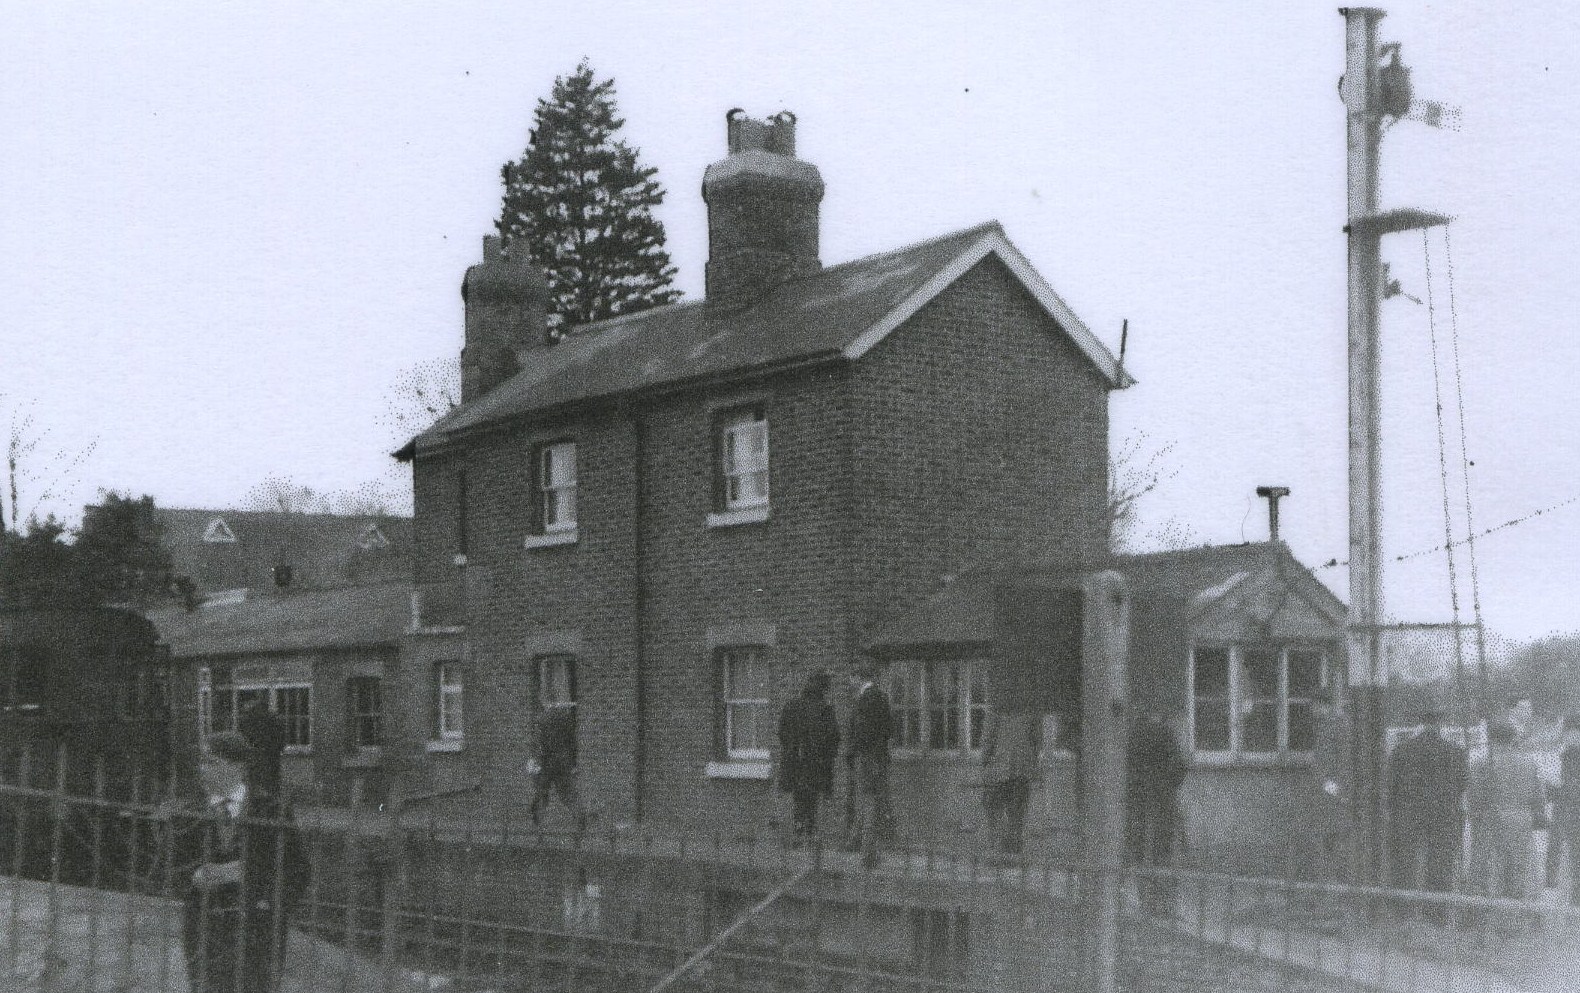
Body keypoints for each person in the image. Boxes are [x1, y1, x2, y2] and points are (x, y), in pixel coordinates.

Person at [177, 728, 309, 993]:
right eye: (201, 762)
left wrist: (247, 876)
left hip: (257, 932)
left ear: (238, 767)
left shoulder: (270, 810)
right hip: (206, 930)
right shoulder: (188, 812)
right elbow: (171, 868)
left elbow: (298, 872)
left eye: (211, 762)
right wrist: (195, 876)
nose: (202, 769)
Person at [1387, 708, 1468, 892]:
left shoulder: (1402, 750)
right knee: (1440, 864)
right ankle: (1436, 912)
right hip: (1443, 814)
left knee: (1406, 862)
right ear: (1440, 724)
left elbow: (1390, 784)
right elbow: (1463, 783)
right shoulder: (1455, 752)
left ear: (1422, 724)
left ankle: (1404, 909)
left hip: (1409, 812)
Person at [1466, 719, 1544, 900]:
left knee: (1490, 874)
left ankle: (1491, 920)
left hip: (1492, 821)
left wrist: (1476, 818)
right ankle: (1518, 919)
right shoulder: (1529, 763)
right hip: (1521, 822)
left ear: (1491, 739)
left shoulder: (1482, 764)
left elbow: (1475, 798)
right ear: (1513, 739)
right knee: (1519, 872)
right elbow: (1538, 799)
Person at [777, 671, 842, 844]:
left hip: (794, 762)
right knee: (813, 799)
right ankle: (811, 836)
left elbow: (781, 733)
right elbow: (834, 736)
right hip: (816, 764)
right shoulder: (824, 709)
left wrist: (791, 750)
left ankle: (798, 833)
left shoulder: (791, 706)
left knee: (798, 797)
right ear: (823, 689)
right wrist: (827, 756)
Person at [845, 663, 895, 868]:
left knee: (869, 803)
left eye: (851, 677)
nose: (849, 682)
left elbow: (861, 732)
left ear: (859, 677)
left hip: (867, 759)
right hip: (880, 758)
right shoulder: (882, 697)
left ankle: (867, 855)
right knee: (873, 802)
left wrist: (852, 752)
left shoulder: (864, 701)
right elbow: (890, 728)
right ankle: (858, 844)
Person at [1125, 714, 1188, 871]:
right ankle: (1161, 875)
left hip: (1138, 794)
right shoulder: (1164, 731)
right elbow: (1179, 765)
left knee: (1138, 835)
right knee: (1164, 835)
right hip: (1162, 793)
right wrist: (1169, 784)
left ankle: (1141, 874)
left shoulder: (1132, 733)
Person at [979, 708, 1043, 856]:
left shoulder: (996, 708)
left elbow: (988, 739)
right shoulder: (1030, 708)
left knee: (995, 810)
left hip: (999, 768)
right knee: (1017, 814)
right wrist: (1031, 761)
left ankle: (999, 851)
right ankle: (1013, 854)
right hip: (1022, 769)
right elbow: (1036, 740)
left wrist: (985, 762)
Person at [1311, 690, 1357, 881]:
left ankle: (1340, 880)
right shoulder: (1330, 724)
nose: (1312, 711)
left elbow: (1340, 761)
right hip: (1331, 792)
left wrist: (1331, 789)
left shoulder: (1334, 725)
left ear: (1322, 705)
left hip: (1334, 793)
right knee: (1331, 836)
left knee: (1336, 837)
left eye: (1314, 706)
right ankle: (1335, 878)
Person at [530, 700, 583, 829]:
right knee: (567, 792)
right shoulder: (565, 719)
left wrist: (539, 762)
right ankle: (579, 817)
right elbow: (573, 743)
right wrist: (572, 762)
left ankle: (537, 821)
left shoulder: (542, 721)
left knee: (542, 791)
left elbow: (541, 745)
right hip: (564, 761)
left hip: (548, 762)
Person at [1546, 715, 1580, 903]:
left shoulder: (1566, 754)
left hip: (1566, 810)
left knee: (1560, 853)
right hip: (1567, 809)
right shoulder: (1564, 753)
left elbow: (1557, 783)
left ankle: (1563, 895)